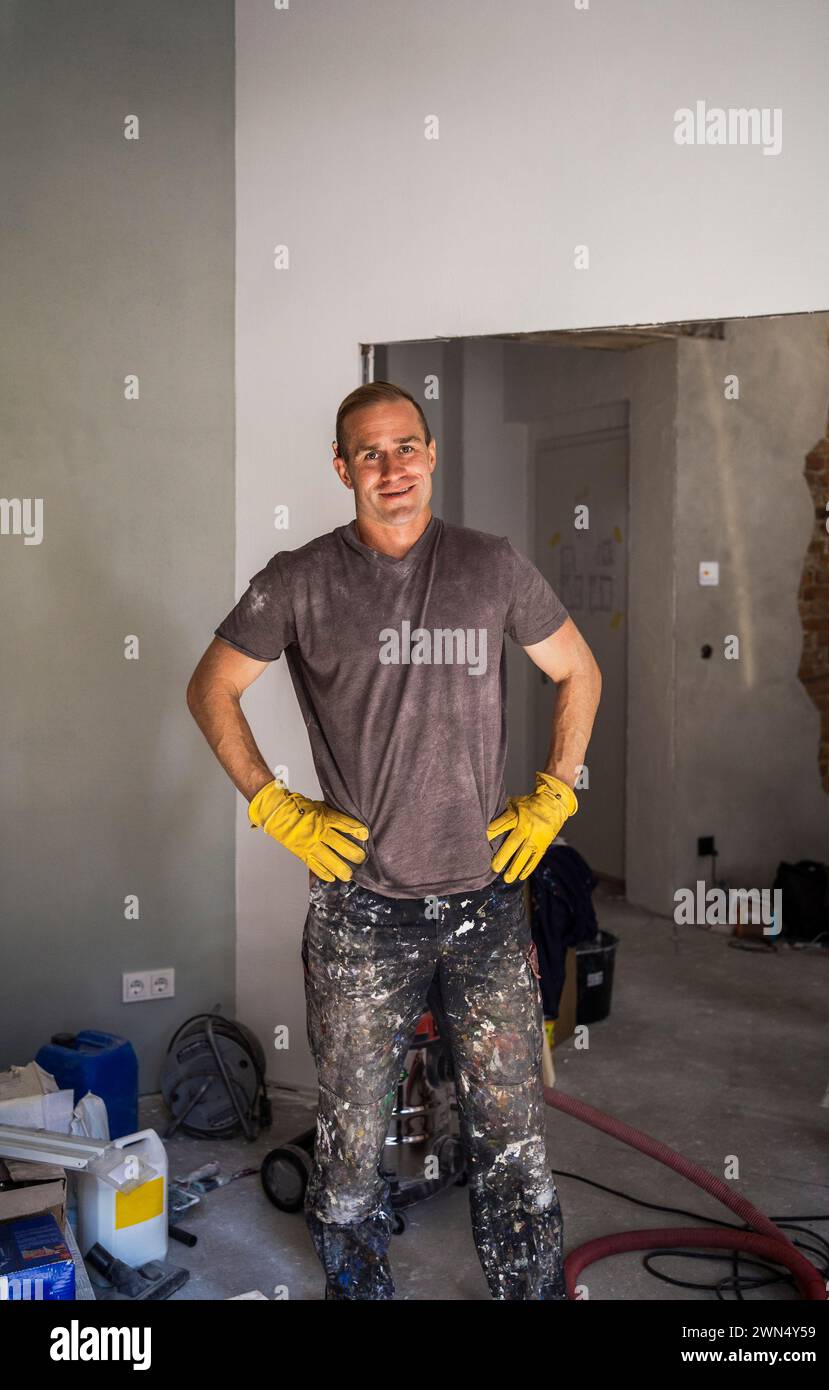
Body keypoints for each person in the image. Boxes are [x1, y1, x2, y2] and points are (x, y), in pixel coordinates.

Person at [186, 380, 602, 1299]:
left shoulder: (491, 565)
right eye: (370, 453)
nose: (392, 468)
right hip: (360, 912)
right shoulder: (298, 579)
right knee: (347, 1140)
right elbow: (209, 685)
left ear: (432, 453)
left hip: (487, 900)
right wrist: (275, 804)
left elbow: (579, 670)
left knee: (514, 1136)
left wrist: (555, 795)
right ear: (343, 469)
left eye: (406, 446)